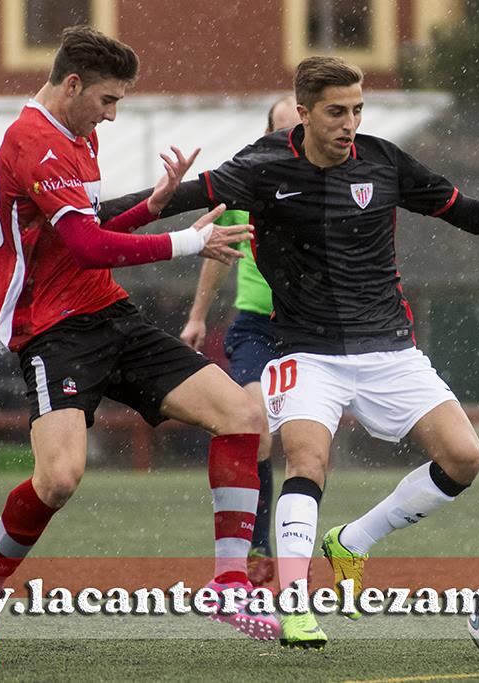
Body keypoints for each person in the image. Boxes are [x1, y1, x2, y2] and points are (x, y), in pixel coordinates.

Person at [105, 56, 479, 649]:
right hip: (304, 351)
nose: (350, 124)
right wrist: (82, 218)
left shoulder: (384, 160)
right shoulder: (263, 165)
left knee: (465, 458)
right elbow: (178, 197)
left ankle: (355, 540)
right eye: (337, 112)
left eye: (358, 110)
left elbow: (467, 215)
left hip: (389, 347)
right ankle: (296, 603)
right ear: (304, 112)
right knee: (307, 463)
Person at [0, 26, 279, 666]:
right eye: (108, 99)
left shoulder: (80, 134)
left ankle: (228, 581)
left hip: (109, 312)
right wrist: (188, 243)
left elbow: (90, 228)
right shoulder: (33, 143)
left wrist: (155, 206)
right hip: (51, 328)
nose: (113, 112)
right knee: (59, 479)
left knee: (246, 419)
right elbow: (84, 247)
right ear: (72, 84)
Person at [179, 95, 301, 587]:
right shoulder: (245, 183)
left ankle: (295, 551)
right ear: (268, 134)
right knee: (258, 430)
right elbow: (218, 252)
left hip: (307, 330)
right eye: (283, 129)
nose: (292, 138)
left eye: (300, 127)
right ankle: (257, 546)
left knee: (305, 445)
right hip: (254, 325)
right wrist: (196, 317)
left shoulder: (328, 186)